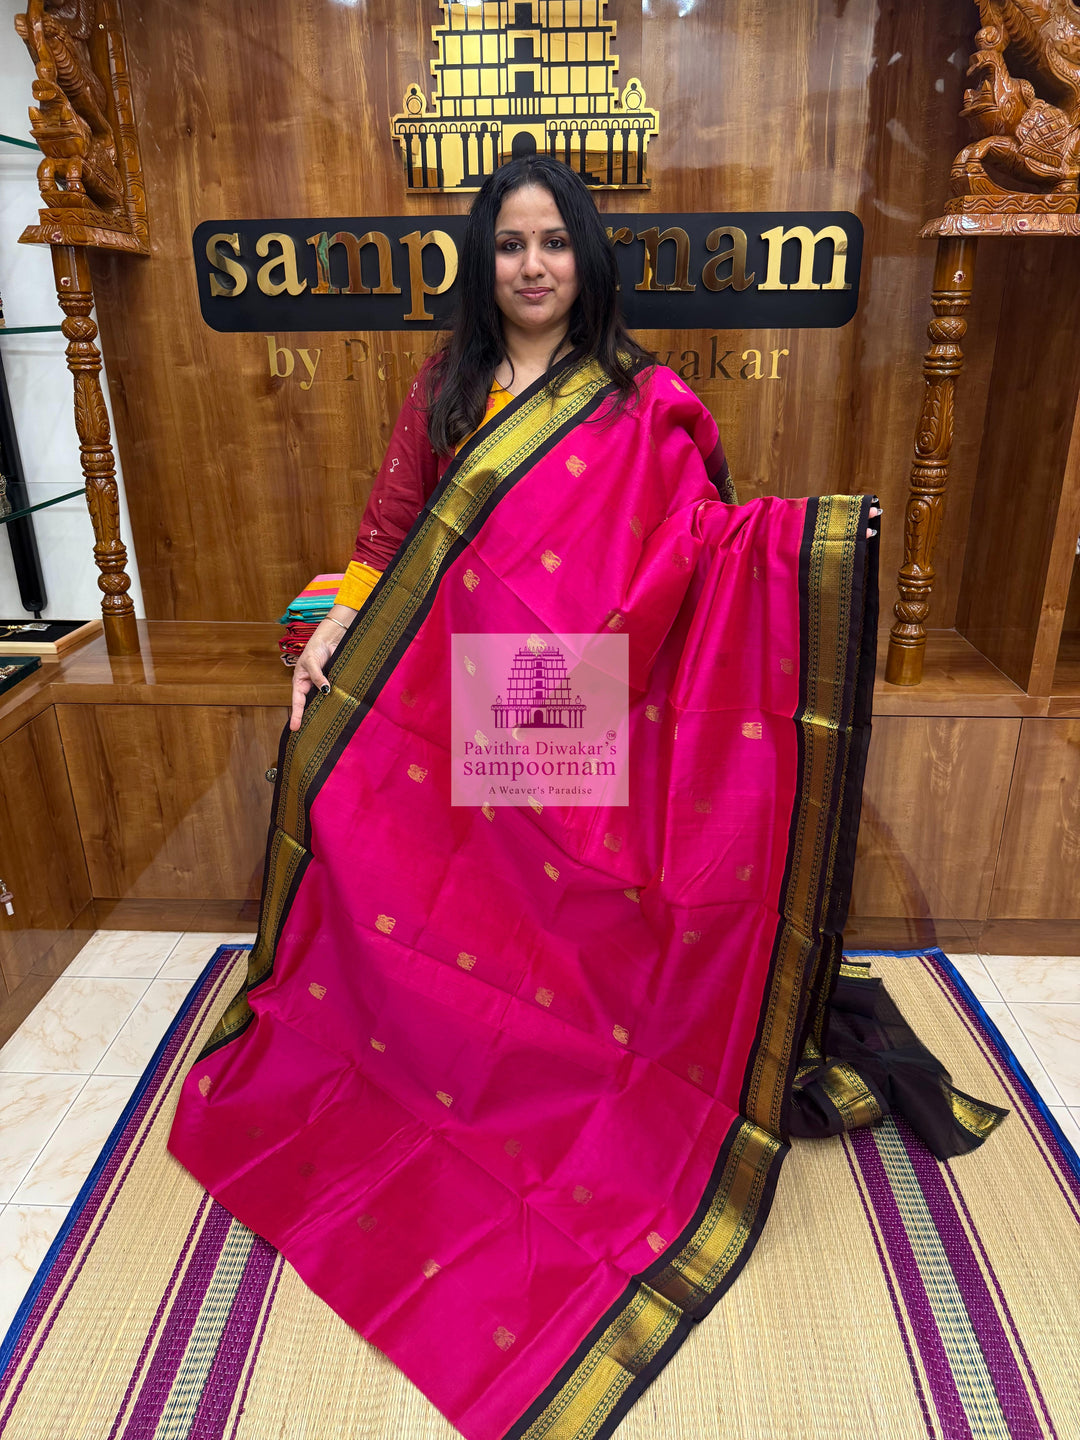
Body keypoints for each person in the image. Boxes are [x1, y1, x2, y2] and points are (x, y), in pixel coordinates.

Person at [169, 158, 1001, 1440]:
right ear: (482, 263)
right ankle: (434, 1058)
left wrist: (806, 547)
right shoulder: (446, 391)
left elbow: (702, 548)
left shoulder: (645, 400)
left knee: (554, 926)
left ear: (589, 257)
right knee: (424, 891)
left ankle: (574, 1067)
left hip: (571, 693)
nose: (534, 266)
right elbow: (388, 539)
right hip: (449, 696)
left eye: (555, 242)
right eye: (509, 245)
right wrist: (332, 630)